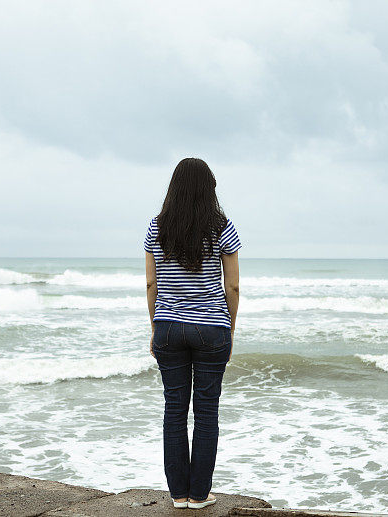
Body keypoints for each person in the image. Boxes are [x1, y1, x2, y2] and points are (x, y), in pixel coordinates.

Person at [144, 157, 241, 509]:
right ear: (208, 190)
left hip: (169, 327)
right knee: (206, 412)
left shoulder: (156, 227)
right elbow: (232, 287)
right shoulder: (222, 228)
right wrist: (229, 328)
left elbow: (152, 282)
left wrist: (156, 326)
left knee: (174, 409)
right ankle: (200, 495)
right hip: (212, 328)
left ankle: (178, 495)